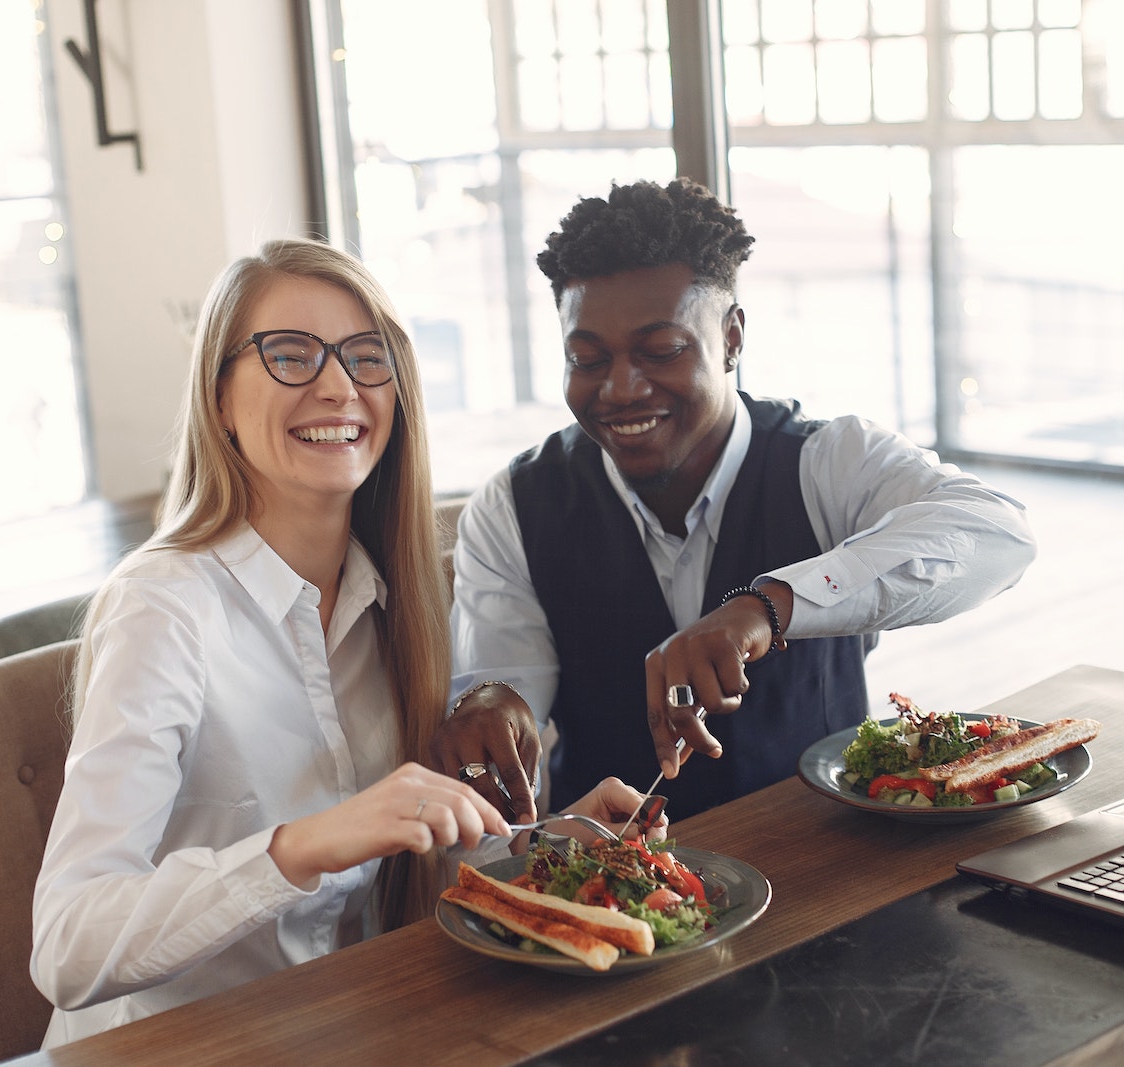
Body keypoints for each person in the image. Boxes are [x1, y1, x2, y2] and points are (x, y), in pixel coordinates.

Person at [30, 238, 649, 1046]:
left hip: (342, 1029)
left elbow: (396, 864)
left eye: (367, 356)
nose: (337, 386)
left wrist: (540, 850)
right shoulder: (163, 608)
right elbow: (67, 946)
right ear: (219, 397)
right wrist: (307, 843)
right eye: (289, 354)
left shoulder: (400, 595)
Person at [432, 178, 1038, 821]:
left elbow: (998, 533)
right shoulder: (515, 505)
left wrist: (768, 605)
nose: (620, 389)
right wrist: (491, 704)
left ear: (733, 339)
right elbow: (502, 680)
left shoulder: (828, 460)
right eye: (586, 359)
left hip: (836, 857)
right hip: (623, 888)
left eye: (660, 351)